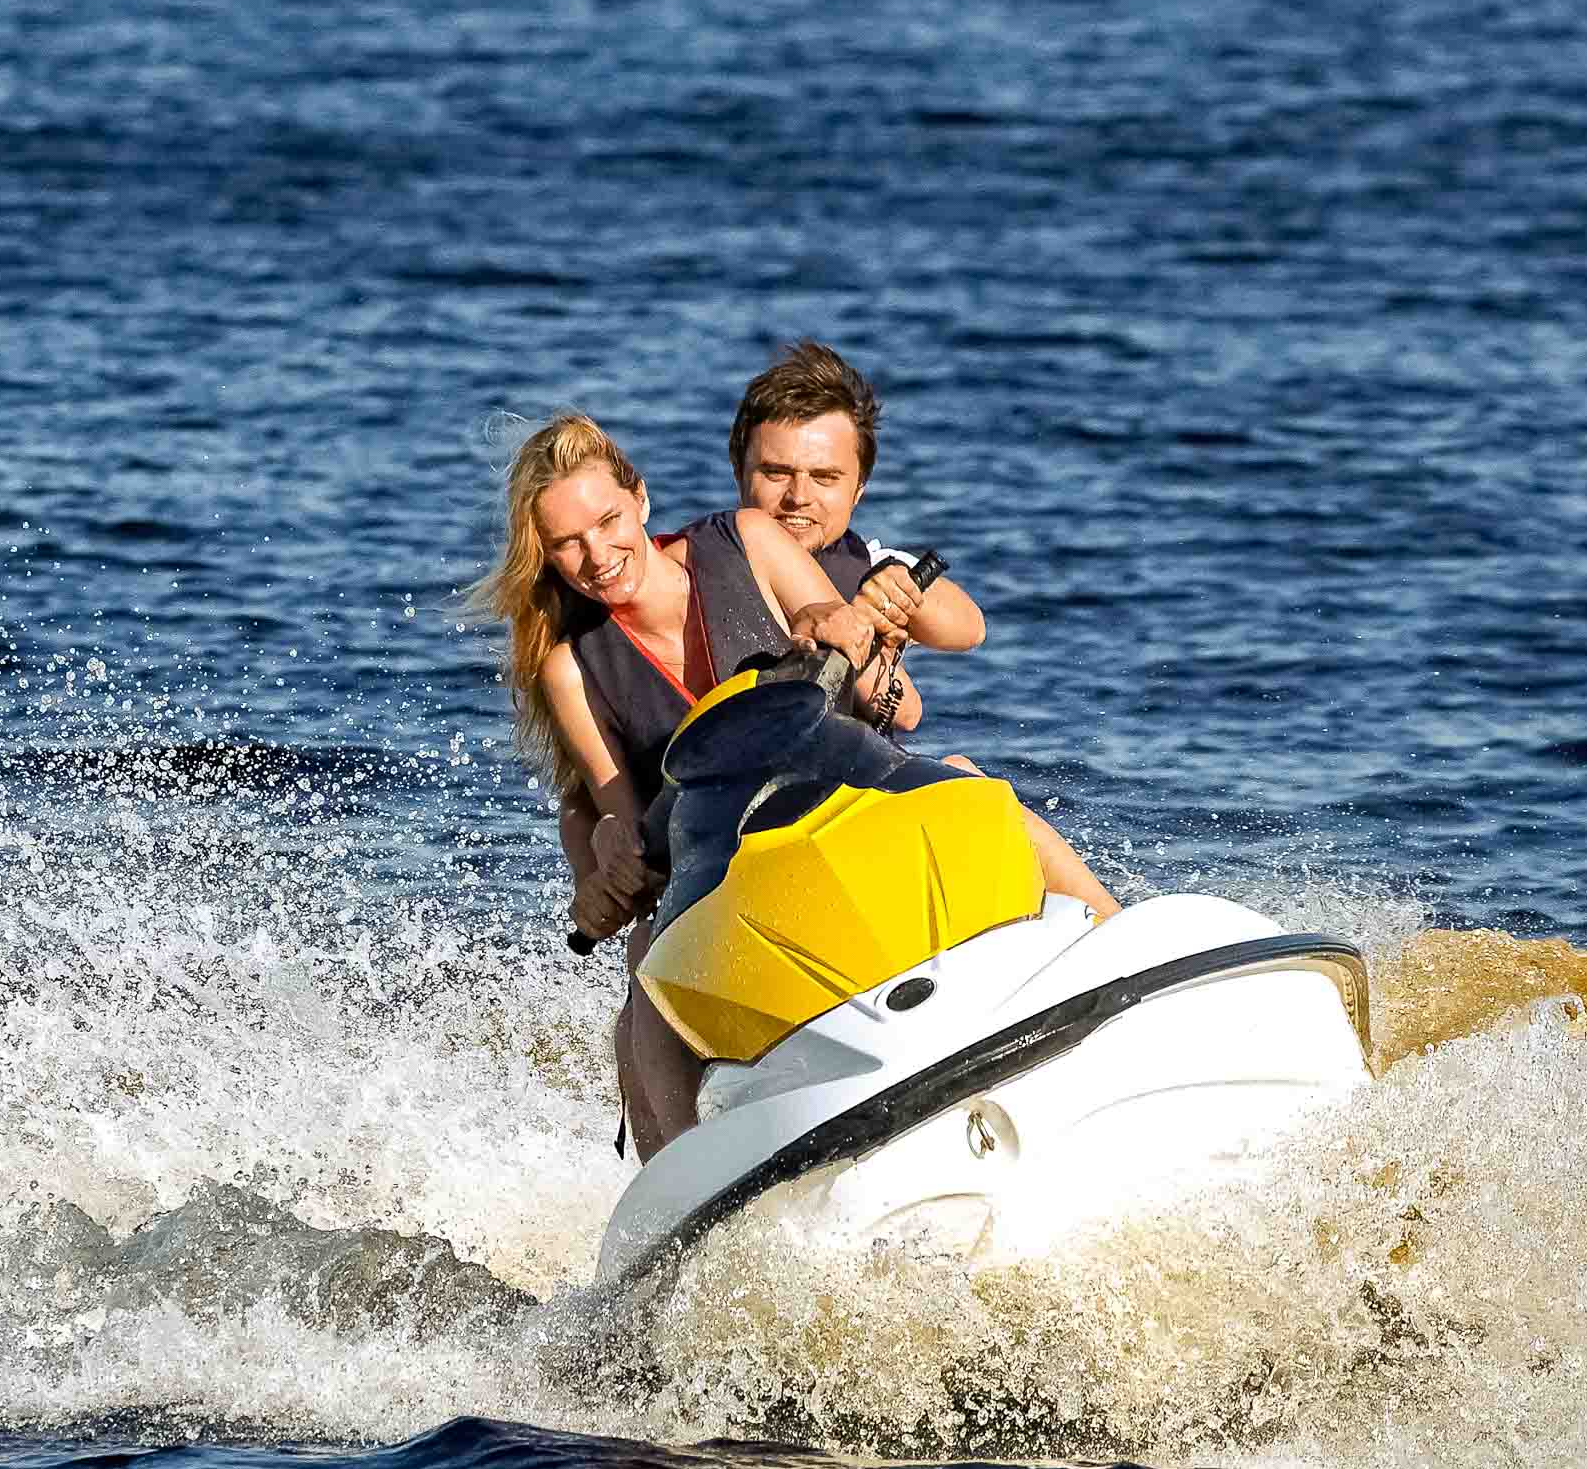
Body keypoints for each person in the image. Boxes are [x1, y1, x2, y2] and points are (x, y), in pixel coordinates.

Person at [478, 413, 1116, 1161]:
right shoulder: (571, 668)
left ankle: (1136, 961)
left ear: (640, 501)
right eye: (566, 543)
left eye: (608, 521)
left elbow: (895, 702)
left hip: (851, 810)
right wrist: (607, 862)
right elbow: (628, 828)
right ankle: (690, 1187)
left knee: (978, 789)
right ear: (545, 556)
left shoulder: (746, 539)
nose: (597, 555)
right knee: (644, 966)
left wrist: (838, 626)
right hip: (728, 881)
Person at [727, 340, 987, 675]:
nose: (799, 496)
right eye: (777, 472)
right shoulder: (696, 562)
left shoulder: (871, 570)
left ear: (858, 490)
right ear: (738, 470)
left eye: (824, 477)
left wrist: (899, 595)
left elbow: (970, 628)